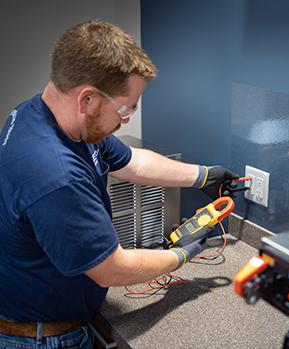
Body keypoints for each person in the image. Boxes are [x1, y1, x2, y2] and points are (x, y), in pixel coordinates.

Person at [0, 20, 238, 349]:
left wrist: (202, 175)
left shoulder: (39, 114)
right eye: (125, 108)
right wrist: (182, 254)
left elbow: (132, 162)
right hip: (45, 336)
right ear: (87, 99)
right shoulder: (55, 173)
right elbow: (112, 269)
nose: (126, 119)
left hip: (52, 313)